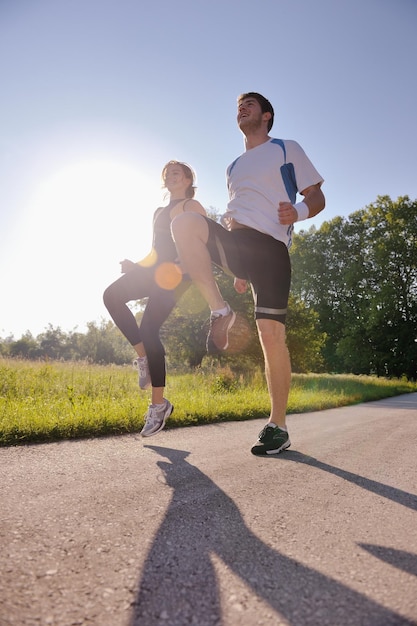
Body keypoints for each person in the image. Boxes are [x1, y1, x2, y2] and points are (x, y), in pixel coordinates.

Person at [171, 92, 325, 455]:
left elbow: (317, 196)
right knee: (186, 223)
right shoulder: (233, 167)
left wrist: (299, 213)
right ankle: (220, 310)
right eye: (239, 105)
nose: (242, 108)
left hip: (271, 250)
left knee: (271, 336)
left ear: (267, 116)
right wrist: (235, 267)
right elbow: (240, 208)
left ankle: (278, 426)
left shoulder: (287, 149)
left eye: (250, 104)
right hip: (237, 245)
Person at [103, 161, 206, 437]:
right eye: (167, 174)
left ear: (187, 179)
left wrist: (187, 263)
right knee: (111, 295)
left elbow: (206, 240)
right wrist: (136, 266)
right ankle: (143, 358)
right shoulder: (159, 212)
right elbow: (155, 251)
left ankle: (158, 405)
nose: (170, 176)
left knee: (149, 328)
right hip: (154, 271)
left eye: (176, 173)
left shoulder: (191, 208)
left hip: (177, 276)